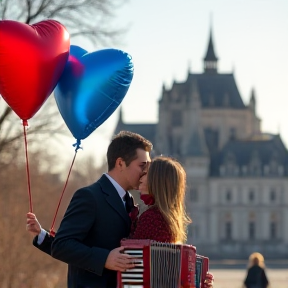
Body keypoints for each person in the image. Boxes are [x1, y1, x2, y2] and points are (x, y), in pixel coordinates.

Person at [28, 130, 152, 288]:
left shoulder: (128, 200)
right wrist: (105, 259)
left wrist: (42, 236)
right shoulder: (89, 196)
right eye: (142, 166)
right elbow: (62, 246)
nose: (146, 172)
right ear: (120, 163)